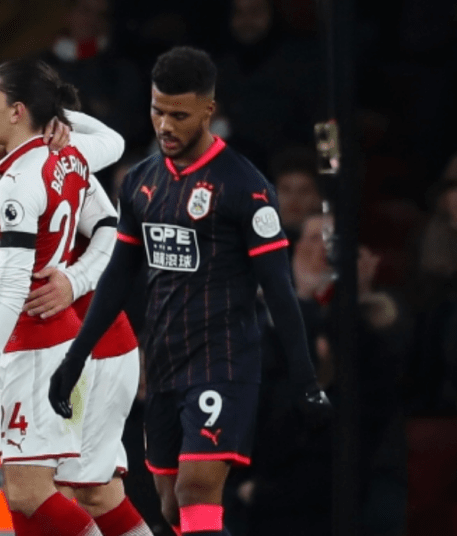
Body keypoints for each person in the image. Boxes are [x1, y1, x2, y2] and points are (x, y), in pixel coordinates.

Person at [48, 46, 331, 536]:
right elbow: (117, 277)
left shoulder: (244, 186)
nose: (165, 125)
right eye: (157, 111)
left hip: (224, 361)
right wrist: (75, 357)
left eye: (179, 115)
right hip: (163, 363)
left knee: (196, 487)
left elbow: (279, 290)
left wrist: (306, 379)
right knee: (172, 508)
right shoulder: (141, 182)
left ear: (208, 111)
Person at [0, 92, 152, 536]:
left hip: (71, 340)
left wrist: (74, 281)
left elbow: (111, 232)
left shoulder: (43, 165)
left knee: (33, 494)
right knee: (94, 493)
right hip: (83, 341)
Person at [0, 57, 122, 536]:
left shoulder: (17, 183)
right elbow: (114, 142)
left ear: (17, 111)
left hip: (36, 342)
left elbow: (10, 285)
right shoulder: (68, 155)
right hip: (61, 338)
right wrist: (62, 120)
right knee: (46, 497)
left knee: (32, 494)